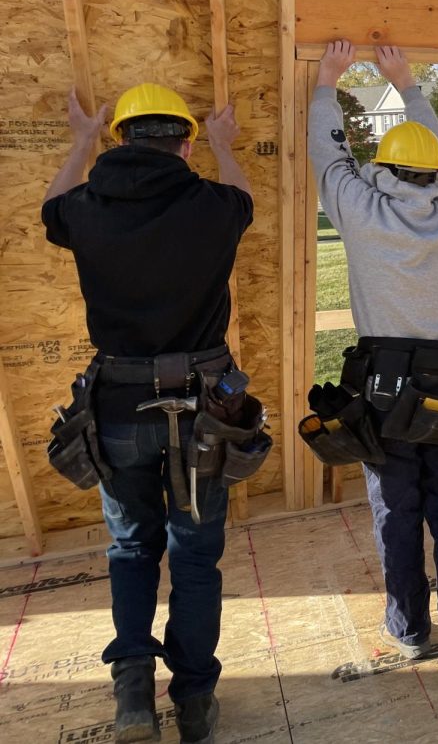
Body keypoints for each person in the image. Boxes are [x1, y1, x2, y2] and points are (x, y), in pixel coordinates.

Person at [42, 84, 254, 744]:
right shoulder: (213, 206)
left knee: (133, 547)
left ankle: (134, 691)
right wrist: (225, 144)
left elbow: (49, 207)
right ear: (184, 143)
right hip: (203, 412)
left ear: (122, 139)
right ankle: (193, 702)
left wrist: (81, 138)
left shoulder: (86, 207)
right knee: (194, 558)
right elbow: (245, 200)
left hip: (118, 406)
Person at [306, 40, 438, 684]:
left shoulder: (361, 213)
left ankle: (410, 631)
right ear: (436, 171)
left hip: (384, 396)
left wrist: (328, 80)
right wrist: (408, 84)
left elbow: (329, 156)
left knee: (397, 512)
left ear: (382, 169)